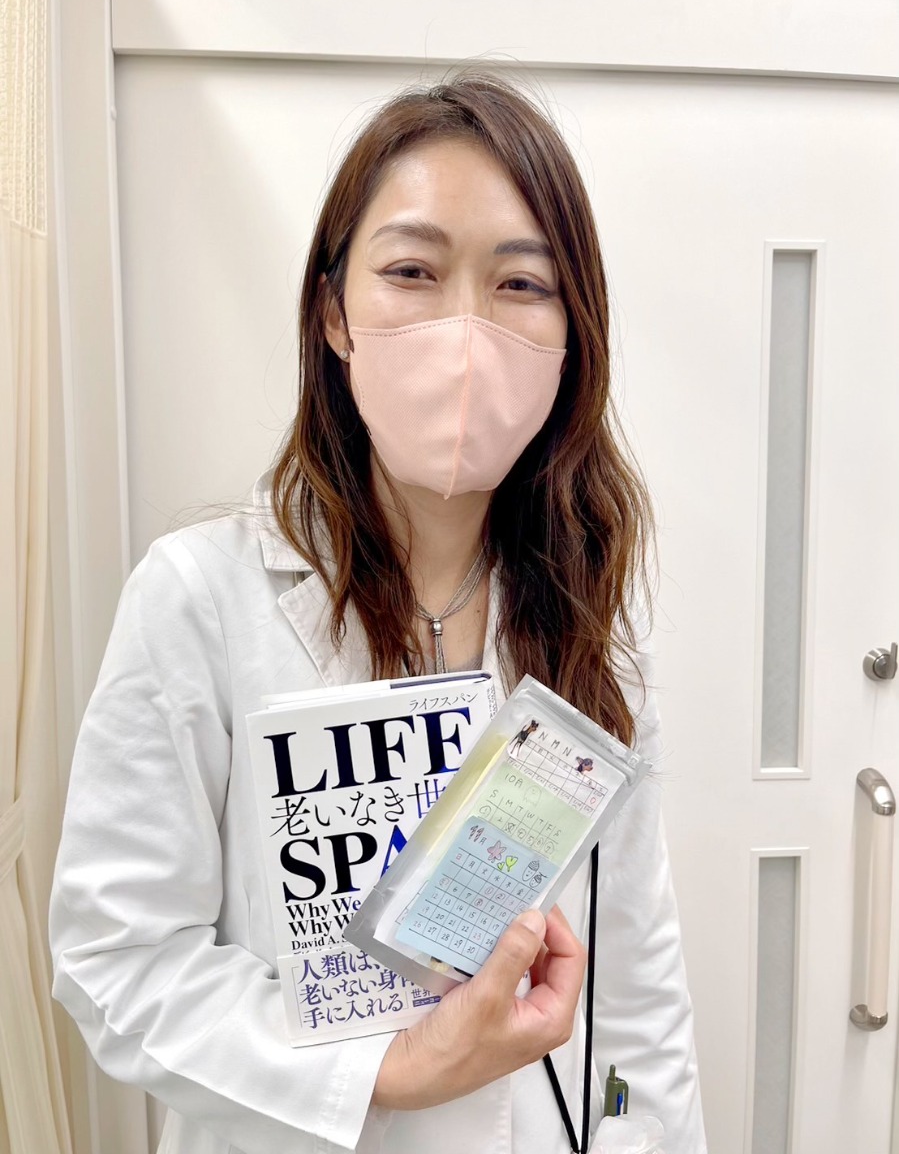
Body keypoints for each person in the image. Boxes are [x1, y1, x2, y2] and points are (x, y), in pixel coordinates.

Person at [50, 71, 706, 1154]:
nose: (464, 331)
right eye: (411, 271)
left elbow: (635, 1001)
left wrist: (644, 1136)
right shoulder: (201, 599)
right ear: (333, 313)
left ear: (571, 333)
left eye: (520, 284)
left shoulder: (585, 635)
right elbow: (116, 958)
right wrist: (381, 1074)